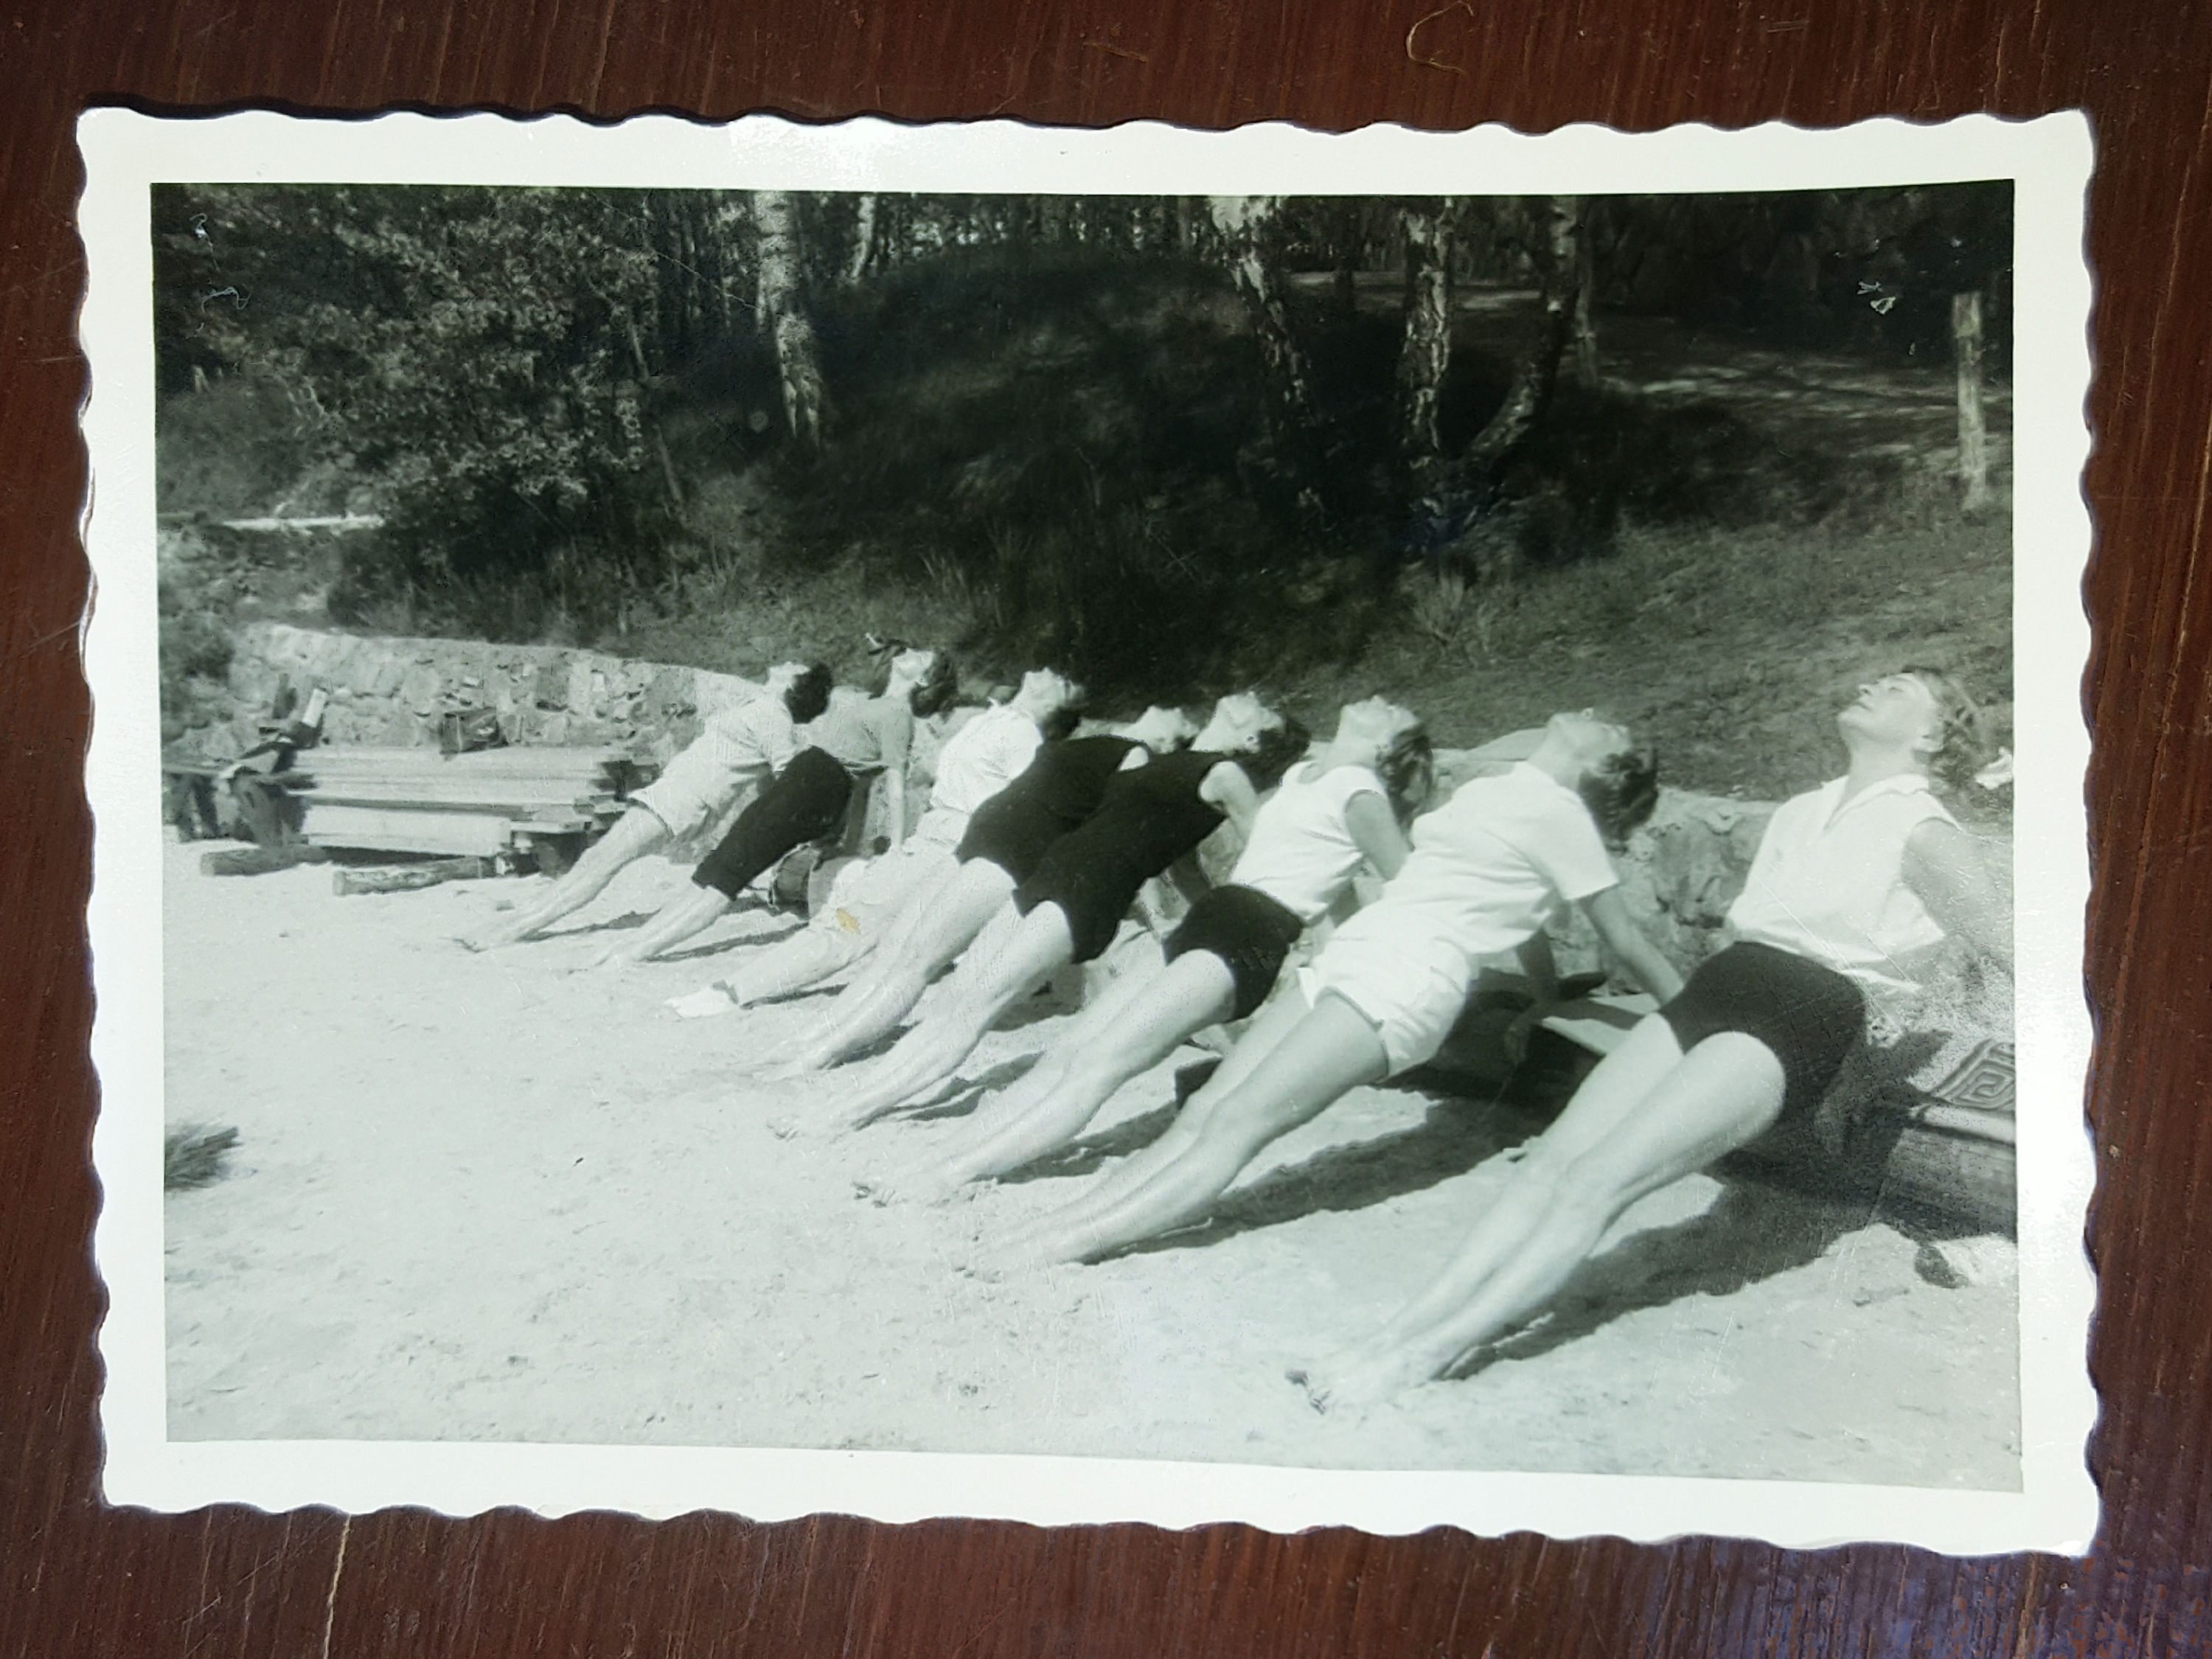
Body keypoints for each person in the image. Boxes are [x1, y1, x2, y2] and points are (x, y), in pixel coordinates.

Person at [1293, 669, 2012, 1410]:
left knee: (1597, 1183)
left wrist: (1884, 1051)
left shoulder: (1923, 831)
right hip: (1723, 983)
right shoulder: (1804, 809)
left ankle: (1425, 1356)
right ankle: (1395, 1334)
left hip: (1805, 1013)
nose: (1872, 686)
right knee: (1548, 1166)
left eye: (1898, 690)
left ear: (1932, 734)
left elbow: (2006, 948)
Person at [990, 706, 1685, 1270]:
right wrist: (1547, 993)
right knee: (1208, 1105)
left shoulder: (1563, 815)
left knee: (1239, 1121)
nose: (1592, 713)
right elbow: (1519, 911)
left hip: (1408, 978)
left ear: (1603, 767)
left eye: (1611, 728)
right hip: (1364, 948)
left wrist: (1694, 1024)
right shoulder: (1502, 787)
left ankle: (1071, 1243)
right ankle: (1078, 1217)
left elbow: (1625, 941)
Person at [889, 696, 1434, 1202]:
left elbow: (1410, 887)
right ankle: (951, 1153)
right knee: (1069, 1052)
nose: (1380, 701)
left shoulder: (1361, 790)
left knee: (1098, 1065)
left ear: (1386, 748)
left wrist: (1367, 967)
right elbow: (1331, 878)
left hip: (1251, 934)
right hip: (1215, 919)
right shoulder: (1303, 777)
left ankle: (956, 1174)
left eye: (1393, 712)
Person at [791, 693, 1312, 1136]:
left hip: (1088, 895)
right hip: (1053, 874)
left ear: (1253, 741)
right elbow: (1181, 864)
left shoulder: (1226, 774)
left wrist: (1262, 924)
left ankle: (851, 1112)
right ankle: (856, 1095)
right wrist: (1176, 917)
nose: (1251, 696)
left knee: (974, 1008)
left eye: (1263, 709)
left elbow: (1270, 849)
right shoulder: (1173, 761)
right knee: (955, 999)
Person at [746, 702, 1202, 1074]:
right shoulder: (1105, 738)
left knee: (916, 963)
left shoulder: (1131, 754)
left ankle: (821, 1053)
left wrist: (1156, 911)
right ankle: (813, 1039)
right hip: (984, 846)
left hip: (1010, 856)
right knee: (897, 955)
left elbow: (1119, 838)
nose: (1185, 721)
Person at [664, 667, 1084, 1014]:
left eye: (1063, 680)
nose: (1049, 670)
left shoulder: (1026, 740)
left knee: (851, 925)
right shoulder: (990, 721)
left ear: (1057, 705)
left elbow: (1029, 812)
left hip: (950, 847)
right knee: (853, 925)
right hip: (932, 839)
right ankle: (739, 989)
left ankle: (735, 992)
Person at [601, 643, 957, 965]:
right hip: (804, 780)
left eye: (921, 656)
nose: (910, 651)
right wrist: (846, 844)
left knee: (730, 875)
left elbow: (893, 784)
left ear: (924, 679)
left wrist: (895, 847)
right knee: (718, 864)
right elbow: (863, 788)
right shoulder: (872, 702)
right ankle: (635, 942)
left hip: (816, 790)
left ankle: (638, 952)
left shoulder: (898, 716)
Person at [462, 660, 832, 950]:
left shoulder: (776, 721)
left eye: (796, 666)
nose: (788, 662)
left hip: (686, 800)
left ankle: (515, 930)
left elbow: (789, 778)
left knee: (602, 862)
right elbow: (769, 774)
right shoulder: (765, 707)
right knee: (596, 860)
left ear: (795, 684)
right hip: (675, 792)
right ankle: (521, 920)